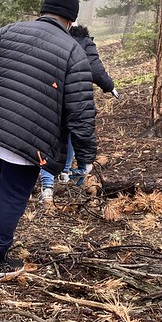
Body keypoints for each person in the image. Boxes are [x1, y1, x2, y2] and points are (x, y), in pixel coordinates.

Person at [0, 0, 97, 282]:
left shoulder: (7, 32)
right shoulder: (73, 52)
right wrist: (86, 156)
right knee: (14, 194)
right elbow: (80, 111)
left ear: (44, 10)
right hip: (30, 138)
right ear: (70, 20)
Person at [39, 23, 117, 205]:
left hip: (51, 97)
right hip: (77, 98)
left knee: (49, 140)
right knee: (73, 133)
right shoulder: (83, 41)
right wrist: (109, 86)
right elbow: (96, 70)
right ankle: (65, 174)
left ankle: (47, 188)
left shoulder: (50, 39)